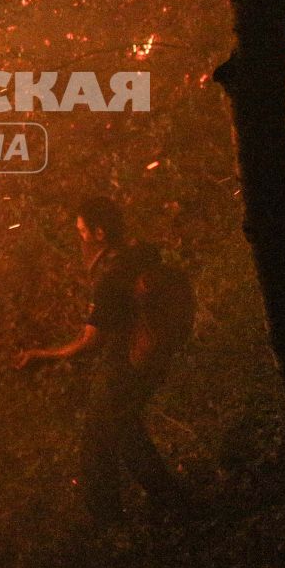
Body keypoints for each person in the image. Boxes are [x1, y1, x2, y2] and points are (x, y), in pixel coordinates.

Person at [16, 195, 193, 519]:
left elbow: (90, 341)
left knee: (98, 440)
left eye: (82, 231)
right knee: (125, 432)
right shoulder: (141, 255)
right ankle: (174, 505)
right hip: (152, 359)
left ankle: (108, 521)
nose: (80, 238)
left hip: (127, 365)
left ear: (99, 233)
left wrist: (43, 355)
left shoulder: (112, 276)